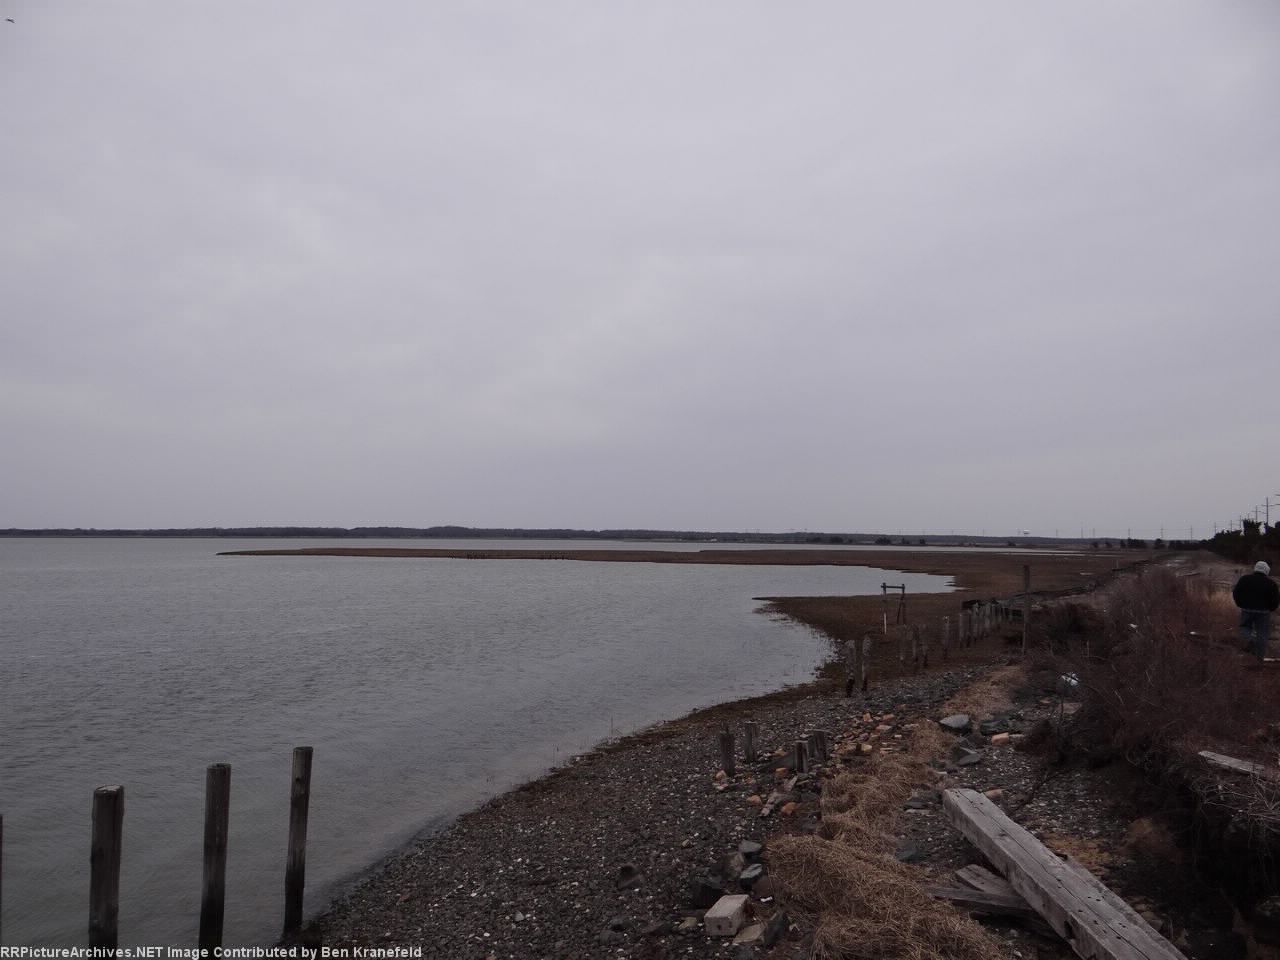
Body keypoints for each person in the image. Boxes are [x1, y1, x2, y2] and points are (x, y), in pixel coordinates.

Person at [1233, 561, 1280, 659]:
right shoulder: (1271, 584)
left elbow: (1236, 592)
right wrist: (1271, 608)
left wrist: (1240, 603)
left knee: (1244, 627)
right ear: (1267, 571)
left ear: (1255, 569)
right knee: (1262, 633)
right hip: (1264, 612)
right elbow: (1275, 600)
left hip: (1247, 609)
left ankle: (1250, 640)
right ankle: (1259, 658)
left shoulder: (1244, 579)